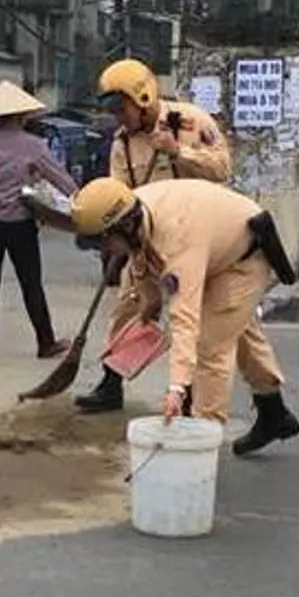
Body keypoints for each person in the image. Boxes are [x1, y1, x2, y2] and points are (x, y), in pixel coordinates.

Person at [70, 177, 299, 455]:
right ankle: (274, 414)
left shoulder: (177, 240)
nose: (103, 252)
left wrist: (177, 388)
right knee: (235, 330)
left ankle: (203, 442)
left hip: (242, 261)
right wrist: (150, 302)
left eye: (104, 243)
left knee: (209, 347)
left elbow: (185, 319)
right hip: (216, 246)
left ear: (125, 227)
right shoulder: (134, 210)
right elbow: (141, 258)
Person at [77, 58, 232, 413]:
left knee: (189, 316)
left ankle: (188, 392)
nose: (118, 117)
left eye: (122, 108)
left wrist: (178, 151)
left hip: (192, 239)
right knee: (128, 309)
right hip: (144, 239)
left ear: (143, 97)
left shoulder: (189, 123)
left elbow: (223, 168)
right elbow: (117, 191)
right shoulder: (122, 143)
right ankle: (112, 380)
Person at [0, 81, 76, 367]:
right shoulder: (35, 146)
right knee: (31, 285)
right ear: (23, 115)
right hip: (20, 226)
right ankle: (45, 343)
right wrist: (83, 200)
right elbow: (62, 182)